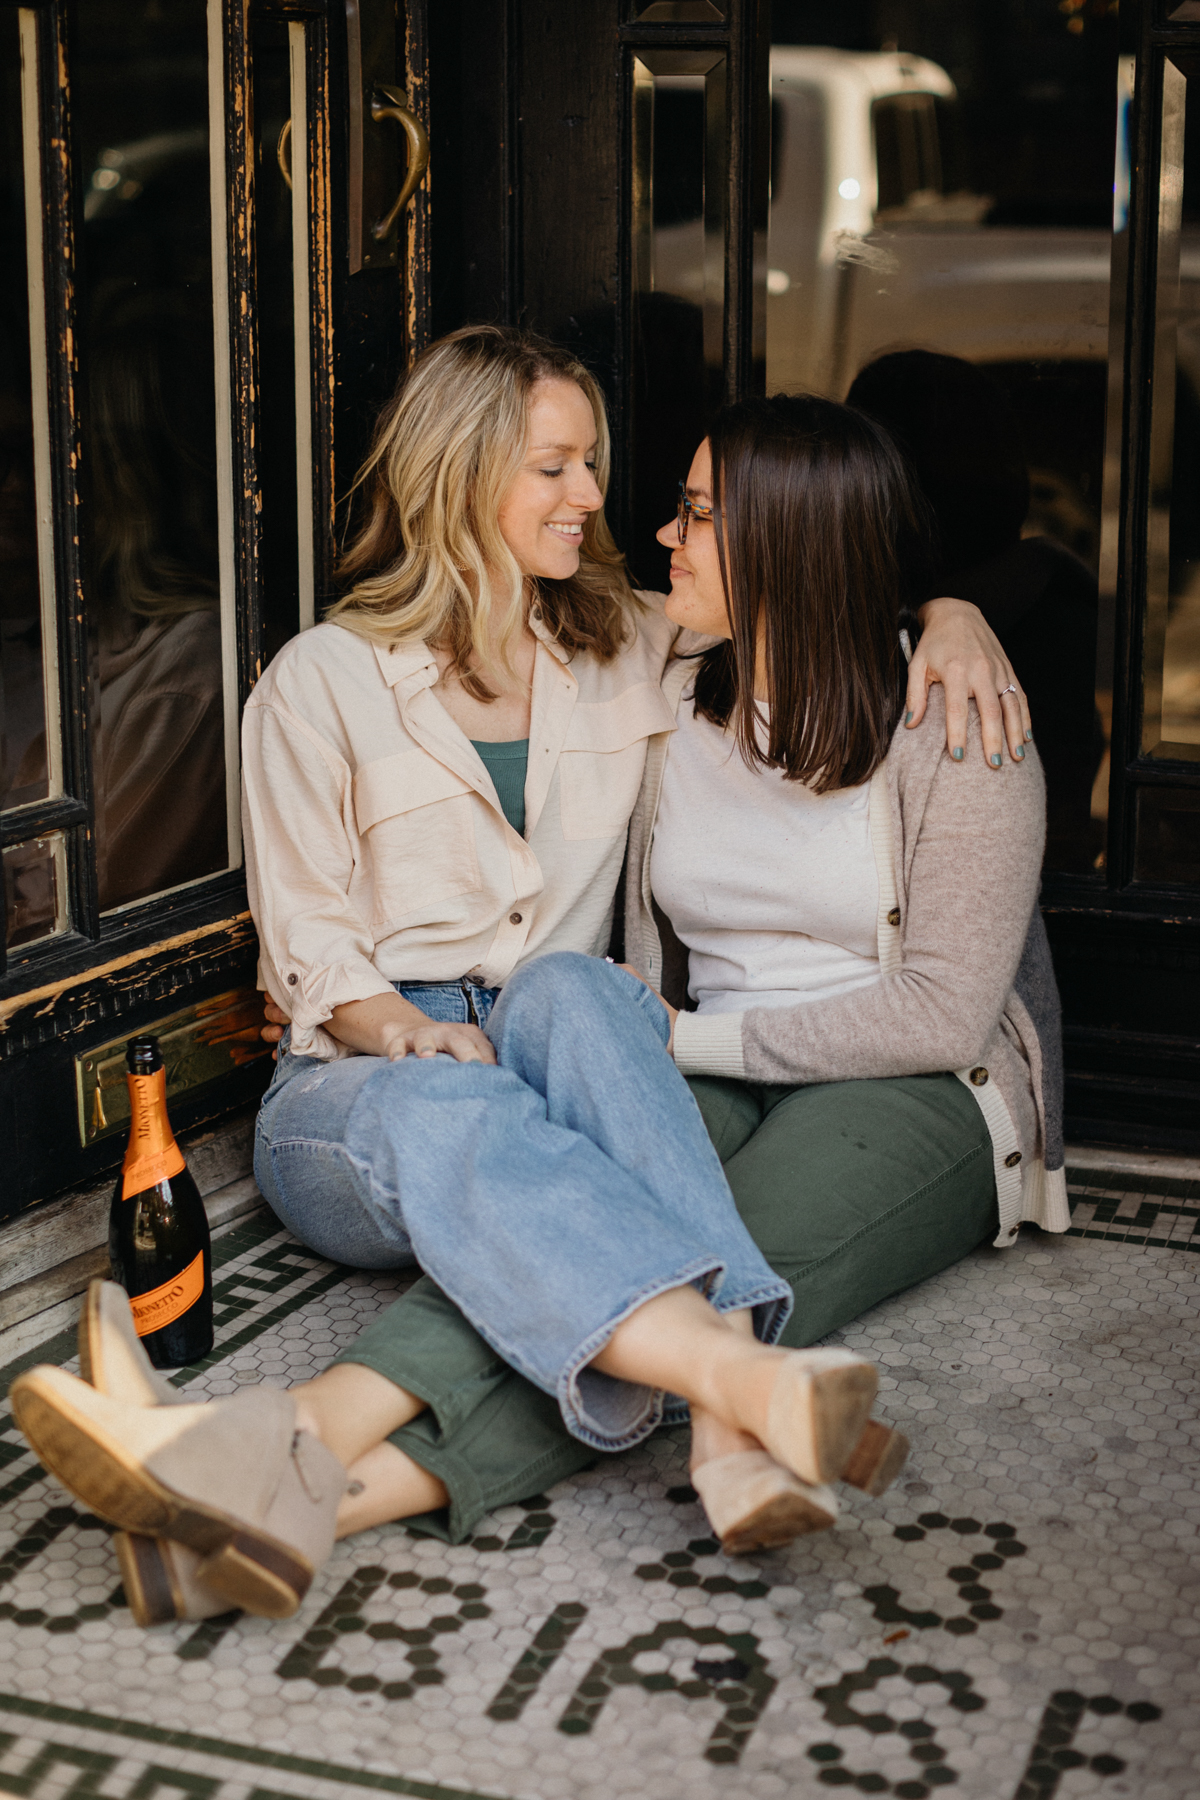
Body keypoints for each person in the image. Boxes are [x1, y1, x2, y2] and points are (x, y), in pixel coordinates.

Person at [10, 334, 1034, 1628]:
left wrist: (954, 611)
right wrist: (396, 1028)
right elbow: (310, 947)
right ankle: (741, 1389)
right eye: (555, 465)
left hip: (554, 1038)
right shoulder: (320, 681)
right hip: (367, 1078)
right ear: (459, 478)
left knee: (575, 998)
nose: (597, 496)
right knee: (476, 1105)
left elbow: (804, 593)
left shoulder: (620, 648)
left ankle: (275, 1474)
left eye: (593, 461)